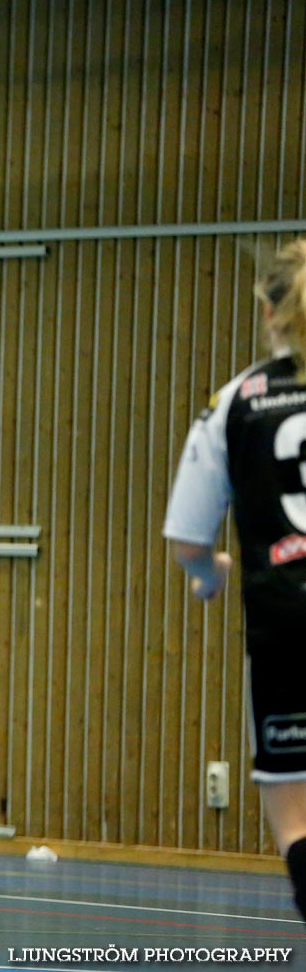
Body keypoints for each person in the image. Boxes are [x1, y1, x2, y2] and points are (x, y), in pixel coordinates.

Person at [164, 240, 306, 923]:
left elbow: (186, 535)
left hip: (285, 619)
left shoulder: (237, 402)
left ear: (267, 310)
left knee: (298, 817)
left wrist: (210, 572)